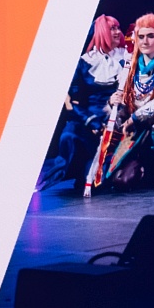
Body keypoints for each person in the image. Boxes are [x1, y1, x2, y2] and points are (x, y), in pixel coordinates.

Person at [86, 12, 154, 192]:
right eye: (141, 36)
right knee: (122, 181)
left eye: (151, 36)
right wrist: (113, 101)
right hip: (138, 132)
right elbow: (123, 99)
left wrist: (136, 116)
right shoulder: (130, 66)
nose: (145, 41)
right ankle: (140, 166)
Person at [48, 15, 132, 189]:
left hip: (118, 117)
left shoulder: (128, 57)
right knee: (69, 136)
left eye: (118, 27)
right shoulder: (85, 62)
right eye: (112, 28)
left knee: (101, 179)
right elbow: (72, 102)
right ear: (101, 32)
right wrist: (92, 122)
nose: (118, 32)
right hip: (88, 119)